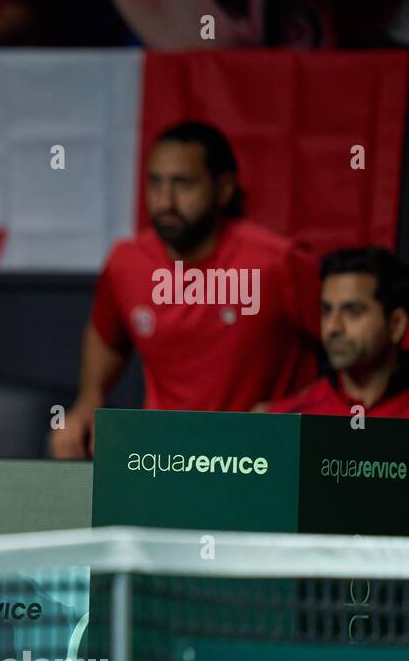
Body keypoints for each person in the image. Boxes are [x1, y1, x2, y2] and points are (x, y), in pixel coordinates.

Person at [51, 121, 321, 458]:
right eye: (155, 183)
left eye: (184, 184)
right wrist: (89, 400)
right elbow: (104, 336)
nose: (165, 202)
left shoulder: (279, 263)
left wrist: (298, 410)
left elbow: (351, 347)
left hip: (262, 460)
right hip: (162, 461)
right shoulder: (126, 263)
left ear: (223, 189)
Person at [266, 247, 409, 417]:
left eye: (352, 311)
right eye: (326, 311)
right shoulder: (289, 419)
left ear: (396, 325)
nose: (333, 327)